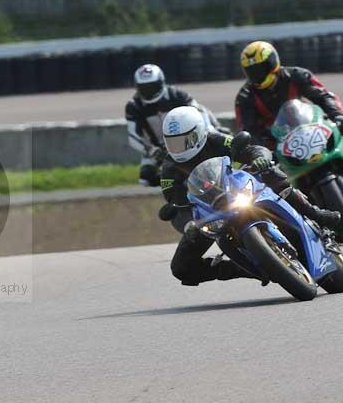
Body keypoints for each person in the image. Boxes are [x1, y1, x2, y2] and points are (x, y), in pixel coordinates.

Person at [159, 106, 341, 286]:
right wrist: (188, 224)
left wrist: (260, 158)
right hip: (210, 212)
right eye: (173, 143)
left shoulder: (216, 140)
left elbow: (250, 148)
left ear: (199, 132)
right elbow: (175, 202)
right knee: (181, 268)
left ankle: (316, 214)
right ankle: (243, 269)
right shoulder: (168, 168)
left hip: (238, 188)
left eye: (184, 141)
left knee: (271, 173)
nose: (178, 148)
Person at [235, 40, 343, 149]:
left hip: (309, 132)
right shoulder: (245, 96)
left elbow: (324, 97)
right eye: (252, 71)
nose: (257, 74)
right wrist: (264, 147)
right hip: (275, 145)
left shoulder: (297, 75)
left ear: (272, 63)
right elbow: (247, 130)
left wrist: (337, 115)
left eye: (260, 68)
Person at [125, 64, 221, 186]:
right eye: (144, 88)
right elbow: (133, 137)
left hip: (188, 140)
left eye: (152, 86)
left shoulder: (177, 94)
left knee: (216, 147)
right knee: (145, 179)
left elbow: (200, 111)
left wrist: (210, 130)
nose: (149, 92)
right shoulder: (134, 106)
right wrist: (152, 151)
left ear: (161, 82)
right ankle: (176, 187)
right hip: (158, 148)